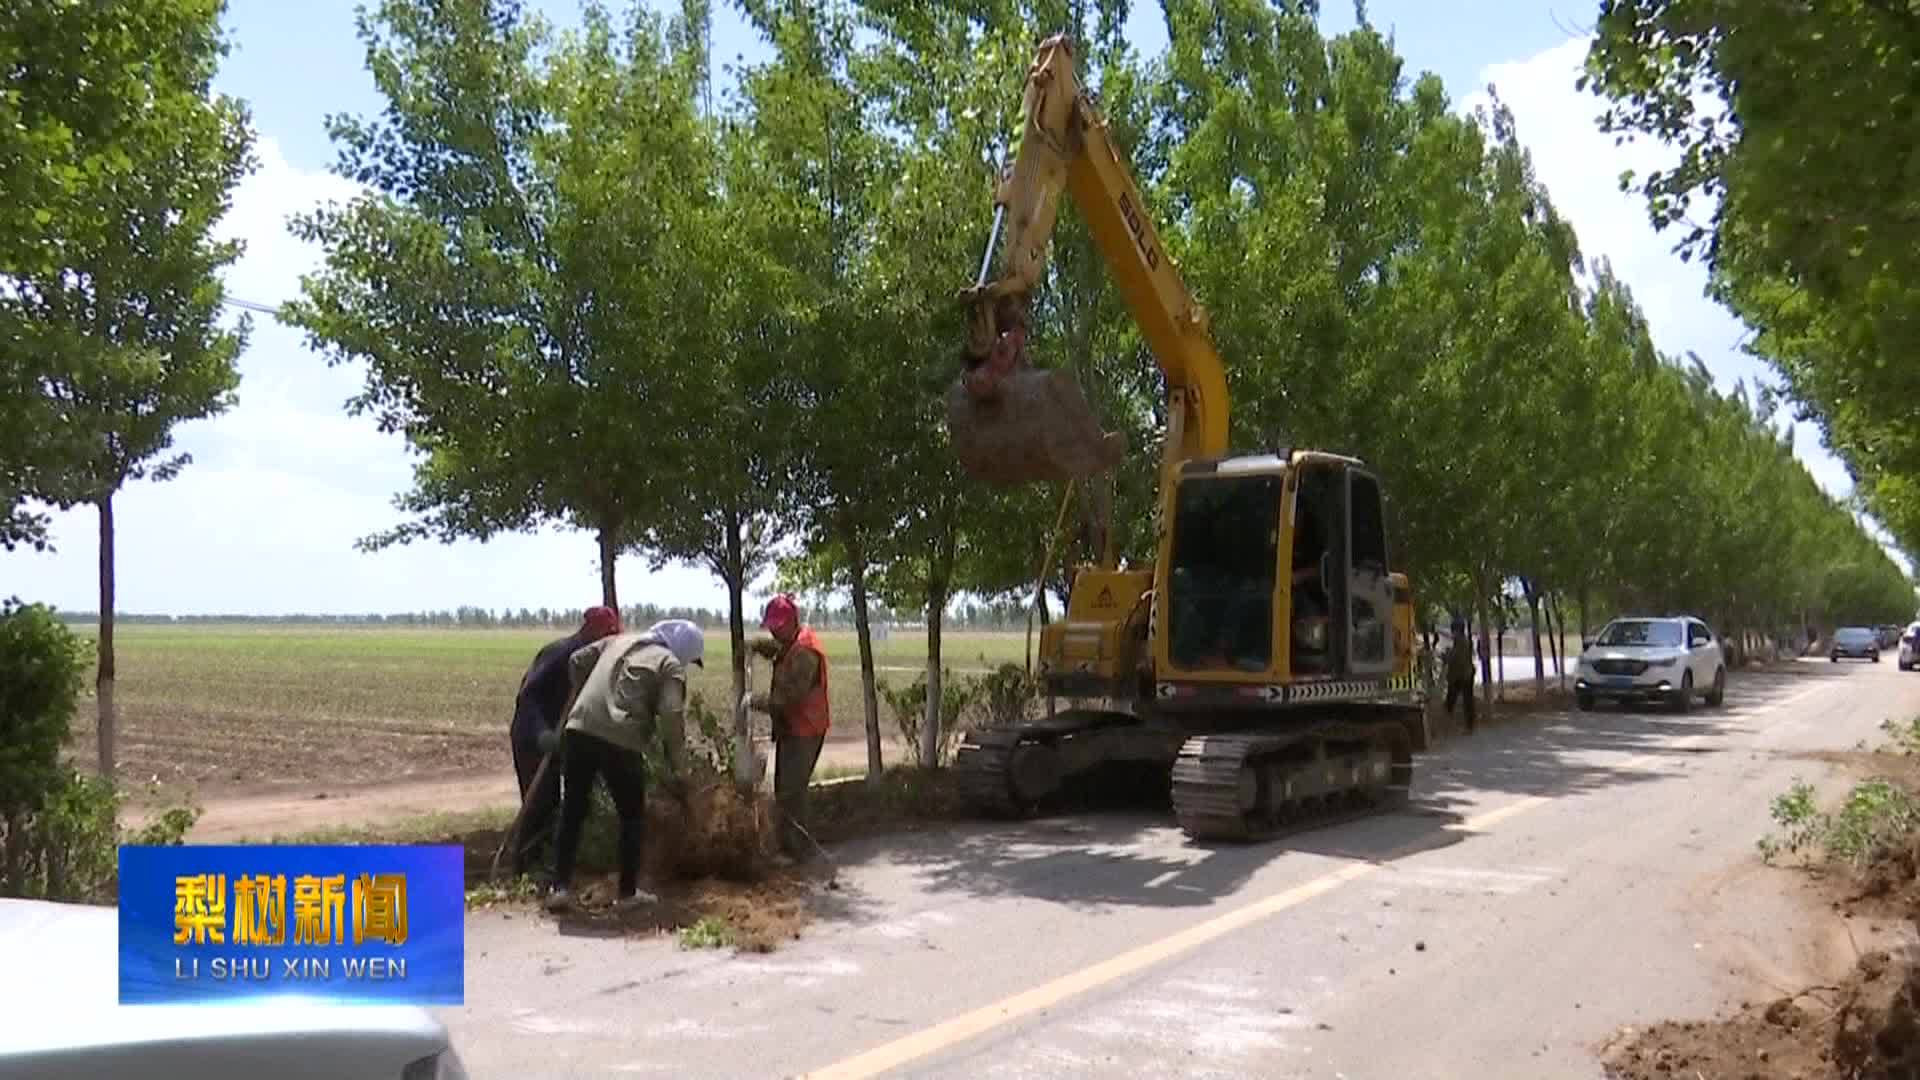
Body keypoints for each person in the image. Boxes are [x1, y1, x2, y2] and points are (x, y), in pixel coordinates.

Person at [545, 618, 704, 913]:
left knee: (573, 810)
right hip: (622, 738)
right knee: (631, 815)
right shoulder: (670, 665)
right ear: (684, 649)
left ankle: (559, 888)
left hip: (579, 728)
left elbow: (577, 660)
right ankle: (628, 893)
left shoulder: (618, 641)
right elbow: (672, 716)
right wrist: (680, 769)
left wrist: (587, 693)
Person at [508, 606, 620, 875]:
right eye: (606, 634)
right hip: (532, 737)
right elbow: (528, 696)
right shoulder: (558, 653)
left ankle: (544, 862)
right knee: (539, 801)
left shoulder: (591, 660)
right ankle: (522, 865)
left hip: (559, 738)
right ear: (590, 630)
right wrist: (541, 733)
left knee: (557, 804)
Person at [748, 594, 830, 863]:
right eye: (770, 626)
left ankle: (797, 851)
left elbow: (791, 698)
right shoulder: (793, 641)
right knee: (785, 786)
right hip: (794, 727)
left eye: (777, 625)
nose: (773, 630)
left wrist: (755, 702)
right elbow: (781, 650)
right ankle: (790, 847)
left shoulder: (806, 652)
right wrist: (756, 646)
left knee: (792, 791)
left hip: (806, 727)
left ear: (791, 622)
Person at [1443, 615, 1477, 732]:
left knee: (1455, 701)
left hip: (1462, 676)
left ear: (1457, 631)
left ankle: (1465, 726)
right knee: (1464, 701)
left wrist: (1446, 655)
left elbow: (1454, 658)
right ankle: (1466, 726)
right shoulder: (1463, 640)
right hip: (1465, 674)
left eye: (1453, 631)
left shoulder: (1461, 642)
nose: (1452, 633)